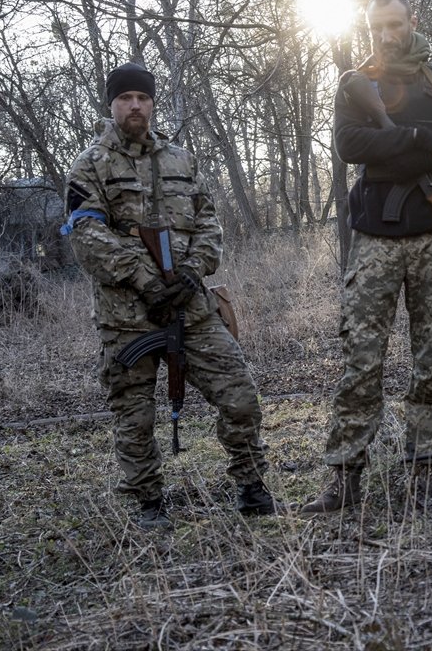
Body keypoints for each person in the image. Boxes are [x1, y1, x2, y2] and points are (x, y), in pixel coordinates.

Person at [62, 62, 275, 528]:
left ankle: (252, 485)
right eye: (125, 98)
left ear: (153, 103)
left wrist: (192, 273)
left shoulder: (182, 160)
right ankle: (148, 502)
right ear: (111, 105)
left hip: (191, 308)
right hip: (128, 317)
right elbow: (85, 234)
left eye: (142, 97)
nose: (135, 105)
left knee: (240, 395)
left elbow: (210, 224)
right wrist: (144, 280)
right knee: (134, 416)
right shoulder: (90, 165)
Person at [302, 0, 432, 513]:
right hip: (375, 241)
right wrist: (408, 140)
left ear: (412, 22)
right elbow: (350, 146)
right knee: (361, 361)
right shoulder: (356, 83)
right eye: (377, 26)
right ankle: (344, 475)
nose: (386, 34)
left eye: (395, 25)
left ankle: (430, 468)